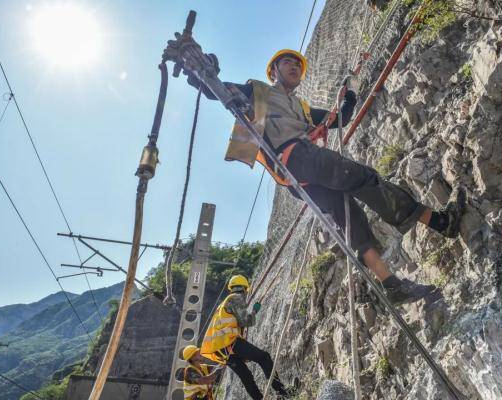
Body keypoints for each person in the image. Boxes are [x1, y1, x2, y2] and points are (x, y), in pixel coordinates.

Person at [187, 48, 466, 304]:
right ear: (273, 71)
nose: (295, 66)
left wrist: (351, 95)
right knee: (365, 178)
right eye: (287, 62)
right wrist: (202, 75)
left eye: (298, 64)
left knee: (351, 217)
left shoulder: (305, 109)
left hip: (301, 177)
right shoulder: (257, 91)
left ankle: (390, 284)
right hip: (298, 157)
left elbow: (339, 119)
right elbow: (221, 92)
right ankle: (441, 222)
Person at [200, 275, 290, 399]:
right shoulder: (236, 297)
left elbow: (235, 323)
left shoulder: (223, 304)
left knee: (246, 376)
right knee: (264, 357)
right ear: (244, 288)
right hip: (229, 342)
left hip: (221, 350)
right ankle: (282, 393)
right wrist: (254, 311)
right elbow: (245, 321)